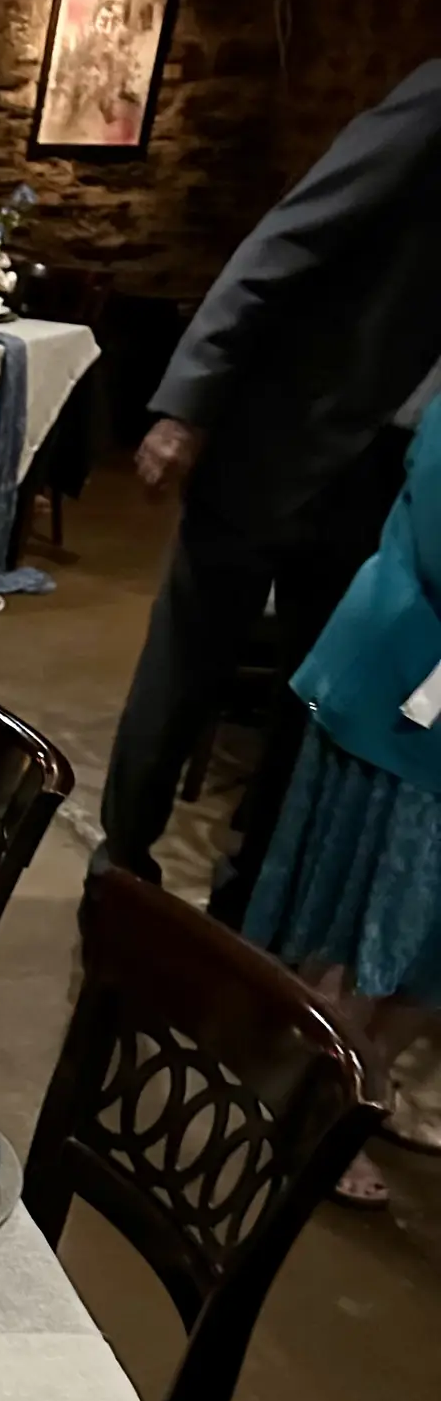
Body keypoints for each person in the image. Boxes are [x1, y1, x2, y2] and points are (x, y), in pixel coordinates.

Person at [98, 59, 441, 911]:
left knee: (313, 688)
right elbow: (284, 238)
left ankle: (253, 888)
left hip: (385, 473)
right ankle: (122, 855)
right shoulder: (437, 100)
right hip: (279, 438)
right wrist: (186, 405)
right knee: (187, 661)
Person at [243, 394, 441, 1204]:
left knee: (432, 940)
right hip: (407, 683)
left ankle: (371, 1078)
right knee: (374, 917)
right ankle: (317, 1103)